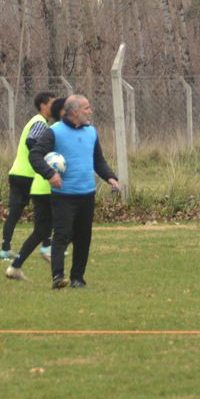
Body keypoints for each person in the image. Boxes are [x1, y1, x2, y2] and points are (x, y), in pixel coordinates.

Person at [29, 95, 119, 289]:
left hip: (87, 194)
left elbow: (98, 160)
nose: (90, 111)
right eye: (86, 108)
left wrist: (110, 177)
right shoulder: (54, 132)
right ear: (75, 112)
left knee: (83, 237)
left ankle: (78, 278)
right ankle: (58, 276)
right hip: (64, 196)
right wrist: (50, 174)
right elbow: (35, 155)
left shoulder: (91, 132)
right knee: (62, 235)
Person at [6, 97, 66, 281]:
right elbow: (34, 149)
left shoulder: (52, 129)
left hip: (39, 186)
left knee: (41, 231)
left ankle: (15, 266)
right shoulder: (54, 131)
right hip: (49, 186)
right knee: (66, 226)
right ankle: (55, 262)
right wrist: (51, 167)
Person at [0, 92, 56, 260]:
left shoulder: (34, 121)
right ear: (43, 106)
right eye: (52, 103)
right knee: (48, 208)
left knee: (15, 212)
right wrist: (43, 156)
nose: (55, 106)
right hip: (29, 175)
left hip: (17, 172)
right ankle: (46, 246)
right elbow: (31, 141)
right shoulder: (40, 123)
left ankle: (5, 248)